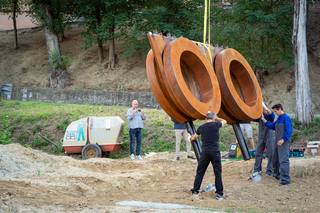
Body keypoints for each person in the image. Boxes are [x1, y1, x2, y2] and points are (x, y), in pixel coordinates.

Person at [190, 112, 227, 200]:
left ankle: (195, 191)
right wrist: (217, 118)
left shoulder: (201, 127)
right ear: (213, 119)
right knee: (217, 173)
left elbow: (192, 138)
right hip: (215, 152)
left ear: (205, 119)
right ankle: (219, 193)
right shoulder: (216, 124)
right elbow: (225, 121)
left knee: (200, 172)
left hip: (205, 152)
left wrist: (191, 138)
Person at [260, 103, 293, 185]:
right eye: (274, 111)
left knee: (283, 160)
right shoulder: (279, 118)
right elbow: (272, 126)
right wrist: (263, 119)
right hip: (277, 142)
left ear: (280, 110)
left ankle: (285, 179)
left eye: (275, 111)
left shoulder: (286, 118)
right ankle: (277, 174)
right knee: (275, 159)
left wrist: (282, 140)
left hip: (283, 143)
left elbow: (289, 131)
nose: (275, 113)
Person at [252, 102, 275, 177]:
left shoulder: (270, 116)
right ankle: (257, 170)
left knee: (271, 154)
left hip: (269, 137)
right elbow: (252, 118)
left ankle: (269, 171)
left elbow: (272, 115)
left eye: (263, 109)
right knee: (258, 153)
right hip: (261, 137)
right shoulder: (260, 116)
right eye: (261, 110)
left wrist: (266, 109)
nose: (262, 111)